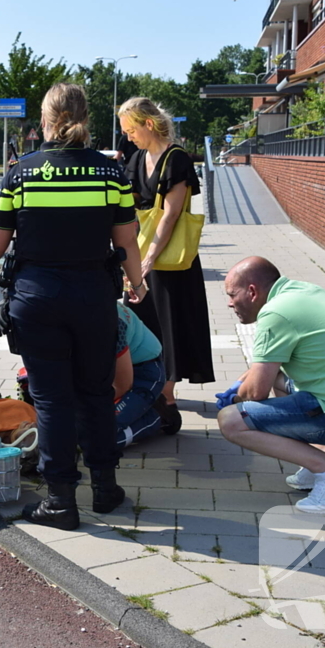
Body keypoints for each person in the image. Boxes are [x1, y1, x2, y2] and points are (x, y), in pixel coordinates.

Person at [0, 82, 147, 531]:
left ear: (45, 120)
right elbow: (126, 242)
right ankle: (105, 488)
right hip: (93, 298)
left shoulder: (21, 174)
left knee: (52, 401)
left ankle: (61, 501)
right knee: (96, 393)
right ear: (85, 118)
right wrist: (137, 283)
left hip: (37, 300)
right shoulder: (110, 173)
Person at [215, 257, 325, 514]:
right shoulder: (301, 292)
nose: (230, 303)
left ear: (252, 291)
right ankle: (315, 463)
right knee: (278, 377)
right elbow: (264, 370)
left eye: (232, 294)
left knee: (231, 421)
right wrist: (242, 384)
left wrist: (234, 399)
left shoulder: (275, 314)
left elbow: (255, 392)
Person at [118, 97, 215, 423]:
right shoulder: (137, 159)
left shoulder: (176, 159)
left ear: (149, 124)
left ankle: (166, 393)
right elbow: (128, 207)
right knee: (141, 324)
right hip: (142, 255)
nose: (128, 137)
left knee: (168, 325)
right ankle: (150, 385)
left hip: (170, 261)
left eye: (131, 130)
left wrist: (147, 260)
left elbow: (171, 215)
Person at [113, 302, 170, 448]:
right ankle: (138, 407)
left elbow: (123, 385)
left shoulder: (110, 323)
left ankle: (158, 414)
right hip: (113, 373)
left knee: (99, 438)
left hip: (144, 374)